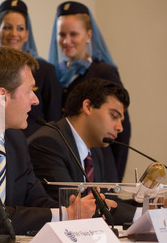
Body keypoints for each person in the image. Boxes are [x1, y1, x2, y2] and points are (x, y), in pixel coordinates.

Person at [0, 46, 117, 236]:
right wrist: (65, 214)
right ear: (2, 96)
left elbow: (36, 201)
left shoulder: (15, 139)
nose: (35, 100)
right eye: (29, 91)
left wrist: (78, 212)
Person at [28, 78, 138, 224]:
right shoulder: (48, 143)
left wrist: (154, 204)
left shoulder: (95, 151)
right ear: (88, 107)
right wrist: (140, 215)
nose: (120, 127)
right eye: (114, 116)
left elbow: (107, 200)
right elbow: (75, 204)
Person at [48, 1, 131, 182]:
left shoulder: (103, 71)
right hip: (67, 159)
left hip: (99, 163)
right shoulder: (54, 74)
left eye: (73, 34)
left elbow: (122, 129)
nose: (66, 41)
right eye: (61, 34)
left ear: (88, 35)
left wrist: (114, 175)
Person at [0, 0, 62, 136]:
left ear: (27, 35)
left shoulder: (45, 71)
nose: (14, 34)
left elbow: (54, 120)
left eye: (20, 28)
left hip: (34, 149)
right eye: (7, 27)